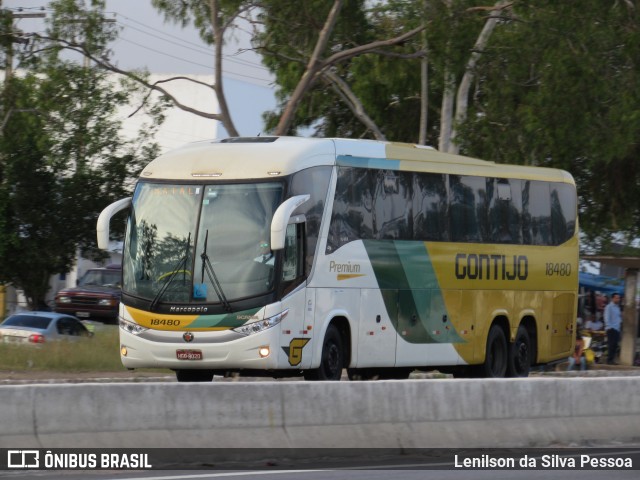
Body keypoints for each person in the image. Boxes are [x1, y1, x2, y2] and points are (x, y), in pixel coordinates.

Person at [603, 293, 622, 365]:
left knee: (615, 345)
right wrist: (609, 327)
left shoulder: (617, 307)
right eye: (616, 298)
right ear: (612, 298)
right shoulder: (609, 307)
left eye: (619, 298)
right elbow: (606, 317)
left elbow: (618, 317)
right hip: (611, 329)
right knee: (611, 345)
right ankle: (609, 360)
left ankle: (612, 360)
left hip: (617, 328)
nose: (618, 299)